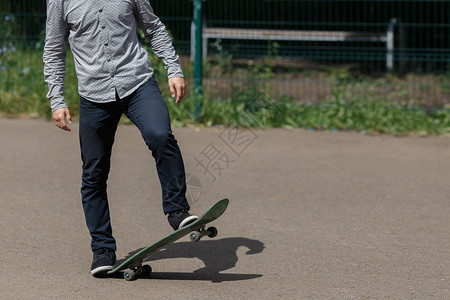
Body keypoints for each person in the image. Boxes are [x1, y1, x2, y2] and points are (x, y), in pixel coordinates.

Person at [43, 0, 198, 276]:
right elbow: (54, 48)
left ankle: (177, 210)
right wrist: (56, 98)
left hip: (136, 82)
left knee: (160, 134)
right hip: (93, 93)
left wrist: (173, 69)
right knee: (93, 172)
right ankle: (102, 250)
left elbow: (153, 27)